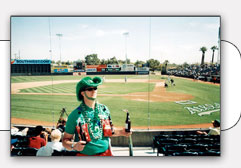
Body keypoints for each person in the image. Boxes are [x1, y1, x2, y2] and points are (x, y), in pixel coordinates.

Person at [62, 76, 131, 156]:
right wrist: (74, 146)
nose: (93, 91)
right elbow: (65, 141)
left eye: (95, 88)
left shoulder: (104, 109)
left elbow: (109, 130)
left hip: (106, 154)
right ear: (82, 93)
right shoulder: (75, 115)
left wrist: (121, 132)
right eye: (90, 89)